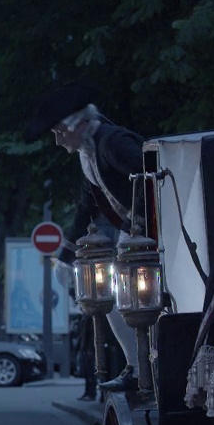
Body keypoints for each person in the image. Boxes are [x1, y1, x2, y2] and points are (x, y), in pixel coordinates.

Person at [25, 81, 142, 391]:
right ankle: (137, 366)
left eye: (58, 133)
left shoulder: (111, 143)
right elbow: (86, 207)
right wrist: (66, 257)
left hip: (149, 233)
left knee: (121, 297)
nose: (57, 141)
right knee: (112, 298)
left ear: (77, 124)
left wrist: (138, 228)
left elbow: (149, 177)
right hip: (136, 233)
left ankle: (140, 366)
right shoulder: (90, 149)